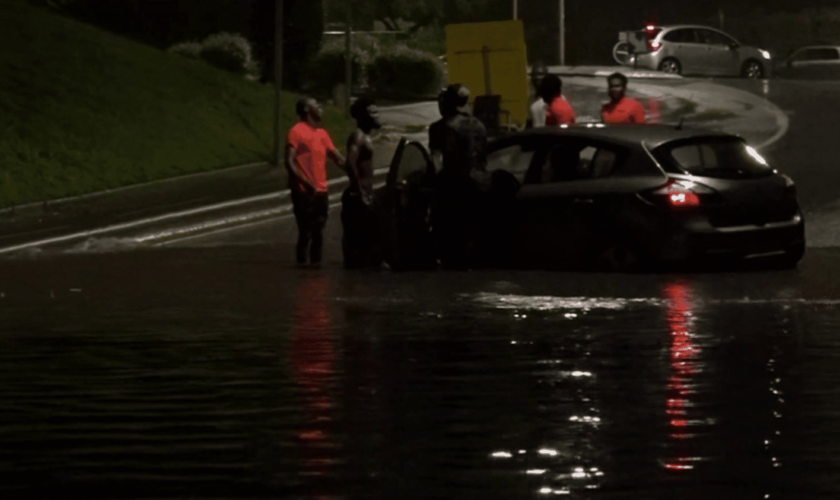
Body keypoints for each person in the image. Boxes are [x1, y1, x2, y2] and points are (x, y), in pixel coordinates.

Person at [432, 84, 489, 269]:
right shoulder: (479, 126)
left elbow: (443, 161)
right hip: (480, 185)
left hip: (455, 187)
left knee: (451, 239)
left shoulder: (447, 127)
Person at [286, 97, 346, 268]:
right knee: (305, 233)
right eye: (317, 106)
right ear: (306, 109)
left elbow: (338, 159)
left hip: (321, 191)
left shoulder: (322, 134)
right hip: (303, 192)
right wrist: (304, 182)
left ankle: (315, 269)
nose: (321, 109)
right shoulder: (296, 132)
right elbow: (289, 162)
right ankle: (302, 268)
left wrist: (354, 170)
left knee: (318, 232)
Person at [342, 97, 381, 269]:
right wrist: (359, 192)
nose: (377, 115)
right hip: (358, 197)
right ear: (362, 116)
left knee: (366, 241)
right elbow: (350, 163)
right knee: (356, 243)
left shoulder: (365, 137)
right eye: (372, 112)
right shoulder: (358, 136)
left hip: (364, 195)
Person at [529, 61, 548, 128]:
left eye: (540, 74)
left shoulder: (553, 99)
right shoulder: (530, 100)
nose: (537, 77)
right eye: (534, 75)